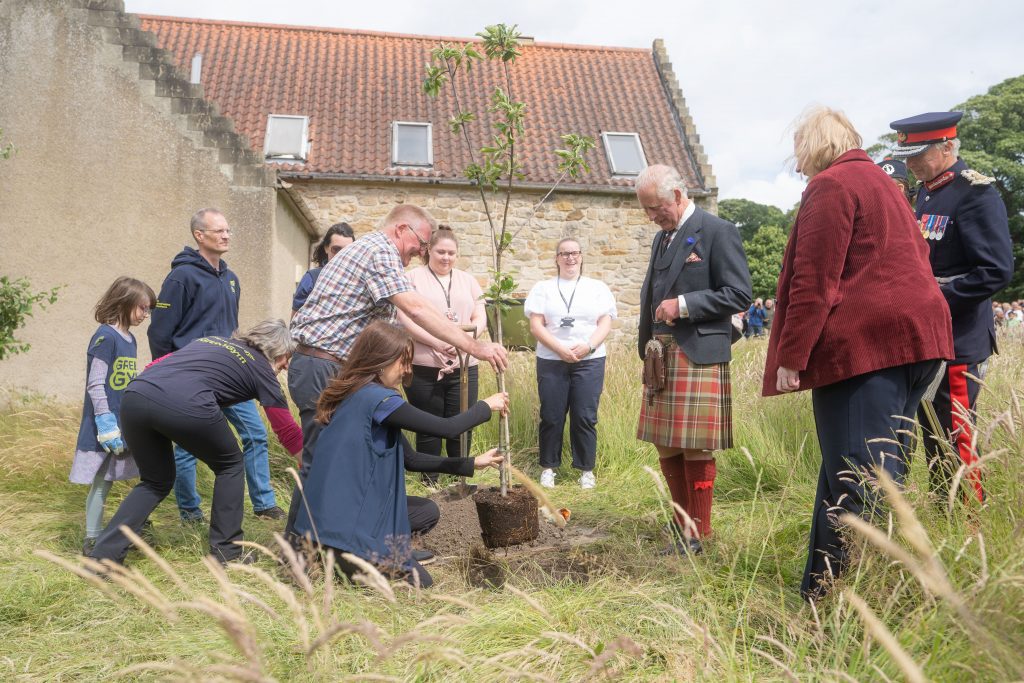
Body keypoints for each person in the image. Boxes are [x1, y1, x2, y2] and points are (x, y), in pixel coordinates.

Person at [763, 106, 953, 600]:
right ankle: (823, 593)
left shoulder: (832, 185)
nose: (799, 164)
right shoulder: (886, 184)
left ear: (814, 147)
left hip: (867, 350)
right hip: (918, 343)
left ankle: (861, 598)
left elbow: (814, 279)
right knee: (869, 473)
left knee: (857, 480)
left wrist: (792, 354)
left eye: (800, 152)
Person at [287, 204, 508, 533]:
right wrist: (475, 347)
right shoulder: (379, 250)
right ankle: (300, 547)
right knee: (321, 462)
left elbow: (398, 323)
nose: (421, 254)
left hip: (335, 368)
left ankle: (338, 536)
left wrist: (440, 348)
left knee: (342, 463)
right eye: (421, 244)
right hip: (324, 366)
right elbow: (416, 309)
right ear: (402, 229)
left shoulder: (377, 260)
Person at [292, 322, 506, 588]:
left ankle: (352, 558)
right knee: (422, 584)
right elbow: (447, 428)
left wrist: (472, 463)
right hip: (347, 530)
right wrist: (486, 406)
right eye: (402, 362)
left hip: (322, 524)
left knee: (427, 511)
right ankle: (363, 558)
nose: (407, 370)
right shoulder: (380, 400)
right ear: (381, 361)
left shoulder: (354, 394)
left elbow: (411, 460)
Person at [89, 320, 303, 565]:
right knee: (230, 465)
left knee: (155, 481)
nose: (286, 365)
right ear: (276, 350)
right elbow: (286, 430)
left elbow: (156, 365)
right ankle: (227, 553)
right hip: (185, 402)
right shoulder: (262, 370)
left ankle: (103, 558)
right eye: (287, 357)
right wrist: (308, 464)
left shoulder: (210, 342)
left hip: (136, 396)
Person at [890, 111, 1014, 503]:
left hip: (960, 337)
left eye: (918, 154)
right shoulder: (927, 191)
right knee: (930, 433)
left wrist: (932, 301)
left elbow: (994, 271)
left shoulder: (975, 192)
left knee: (956, 436)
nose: (909, 164)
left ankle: (969, 522)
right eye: (906, 155)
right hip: (928, 336)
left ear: (946, 146)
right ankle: (944, 517)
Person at [635, 164, 752, 555]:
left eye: (655, 208)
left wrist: (684, 305)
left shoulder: (718, 231)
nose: (651, 216)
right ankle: (681, 522)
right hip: (661, 355)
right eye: (647, 210)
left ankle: (699, 534)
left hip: (697, 354)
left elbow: (738, 294)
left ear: (678, 195)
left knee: (695, 446)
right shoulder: (661, 238)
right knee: (666, 444)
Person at [149, 208, 284, 522]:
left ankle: (264, 505)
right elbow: (160, 330)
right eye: (219, 231)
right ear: (200, 235)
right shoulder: (181, 277)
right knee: (186, 448)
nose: (226, 236)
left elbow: (231, 326)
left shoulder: (231, 279)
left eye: (228, 231)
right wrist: (164, 371)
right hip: (188, 378)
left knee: (255, 434)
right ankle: (190, 512)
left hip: (229, 373)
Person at [72, 277, 156, 555]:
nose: (146, 314)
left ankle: (138, 527)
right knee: (102, 482)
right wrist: (105, 422)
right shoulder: (104, 337)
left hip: (125, 421)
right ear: (125, 302)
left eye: (148, 309)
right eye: (143, 308)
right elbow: (96, 384)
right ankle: (92, 539)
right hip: (105, 425)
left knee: (148, 475)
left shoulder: (130, 339)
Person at [524, 237, 617, 490]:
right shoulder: (543, 288)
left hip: (589, 361)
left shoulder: (596, 287)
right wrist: (559, 348)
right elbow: (536, 324)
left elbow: (605, 322)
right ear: (556, 258)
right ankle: (548, 468)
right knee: (552, 415)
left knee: (585, 416)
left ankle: (586, 470)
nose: (570, 258)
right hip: (552, 360)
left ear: (581, 256)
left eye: (574, 253)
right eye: (564, 253)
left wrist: (588, 346)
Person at [396, 226, 487, 479]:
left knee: (464, 423)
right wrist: (436, 342)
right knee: (428, 427)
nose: (446, 257)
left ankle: (460, 479)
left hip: (463, 366)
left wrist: (464, 340)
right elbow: (405, 318)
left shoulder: (468, 280)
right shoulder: (412, 278)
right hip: (424, 365)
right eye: (441, 252)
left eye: (451, 253)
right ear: (428, 252)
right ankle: (430, 483)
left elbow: (480, 315)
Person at [291, 223, 355, 317]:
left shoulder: (359, 279)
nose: (342, 254)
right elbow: (295, 320)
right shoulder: (312, 279)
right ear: (326, 248)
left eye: (348, 250)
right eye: (336, 249)